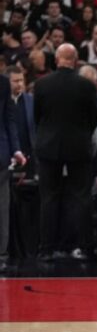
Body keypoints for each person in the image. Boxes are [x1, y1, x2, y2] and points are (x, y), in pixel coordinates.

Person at [33, 43, 97, 262]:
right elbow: (93, 120)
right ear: (76, 59)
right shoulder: (87, 86)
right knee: (82, 197)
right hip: (79, 146)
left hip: (49, 147)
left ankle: (46, 249)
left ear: (57, 59)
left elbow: (37, 117)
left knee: (48, 198)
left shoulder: (41, 84)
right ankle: (84, 248)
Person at [0, 70, 25, 271]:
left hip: (1, 156)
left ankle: (1, 255)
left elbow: (9, 119)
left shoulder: (3, 84)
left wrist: (16, 148)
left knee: (2, 208)